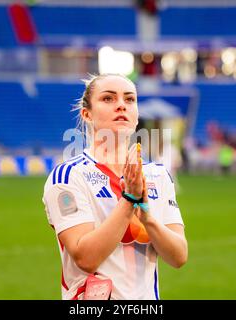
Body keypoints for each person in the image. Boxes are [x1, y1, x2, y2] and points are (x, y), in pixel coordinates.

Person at [42, 74, 187, 300]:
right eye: (108, 99)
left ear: (137, 115)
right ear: (87, 114)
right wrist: (129, 200)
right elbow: (86, 258)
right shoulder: (68, 176)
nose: (121, 105)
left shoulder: (158, 175)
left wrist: (147, 218)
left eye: (130, 100)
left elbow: (178, 256)